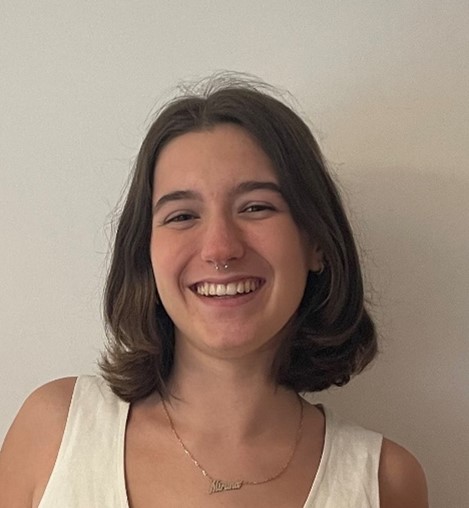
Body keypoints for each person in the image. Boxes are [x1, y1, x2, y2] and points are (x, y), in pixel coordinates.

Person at [0, 75, 428, 507]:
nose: (220, 248)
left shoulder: (383, 481)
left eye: (257, 207)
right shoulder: (55, 433)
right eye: (182, 216)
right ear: (145, 252)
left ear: (315, 241)